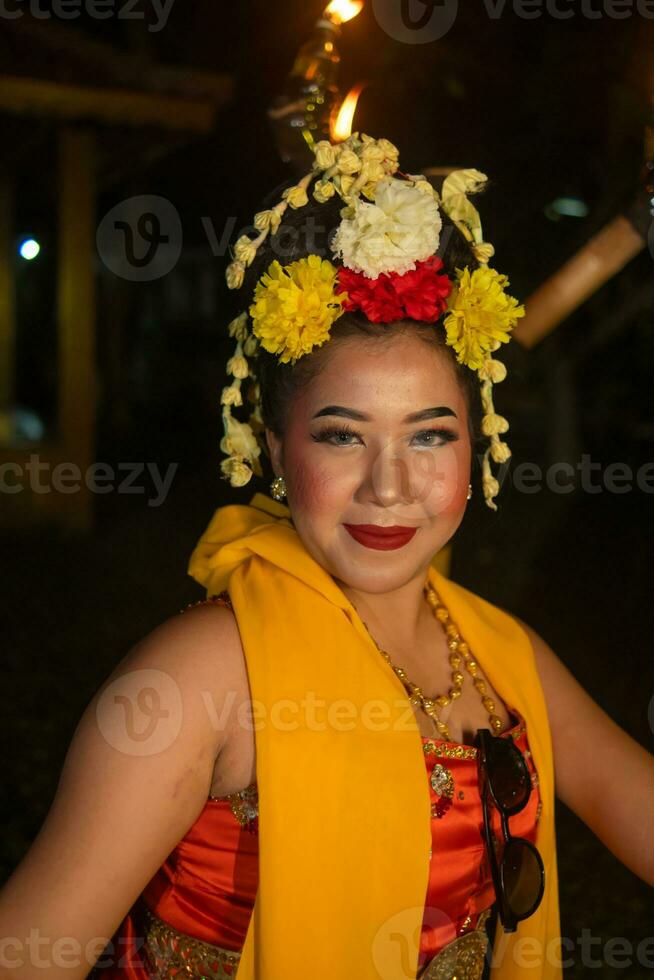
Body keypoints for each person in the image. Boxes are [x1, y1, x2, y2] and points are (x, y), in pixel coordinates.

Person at [1, 133, 652, 980]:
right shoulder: (201, 675)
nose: (390, 485)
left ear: (476, 453)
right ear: (275, 449)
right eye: (342, 435)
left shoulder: (503, 658)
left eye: (430, 436)